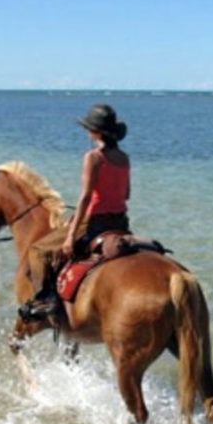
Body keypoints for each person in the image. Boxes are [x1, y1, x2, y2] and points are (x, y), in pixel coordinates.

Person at [19, 104, 131, 322]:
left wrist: (70, 236)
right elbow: (126, 194)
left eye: (89, 128)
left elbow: (86, 196)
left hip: (95, 223)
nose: (87, 132)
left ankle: (46, 300)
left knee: (38, 250)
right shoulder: (124, 158)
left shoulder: (94, 157)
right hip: (120, 223)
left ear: (96, 132)